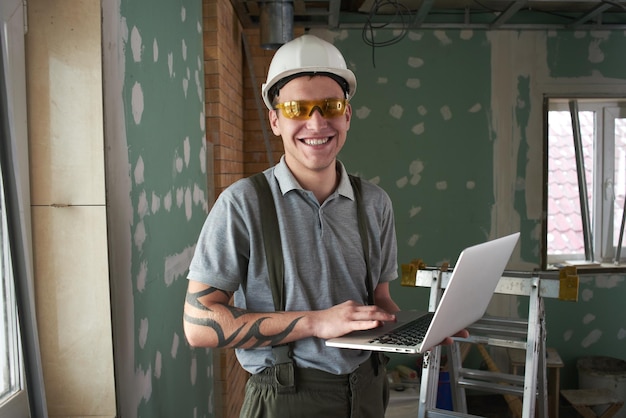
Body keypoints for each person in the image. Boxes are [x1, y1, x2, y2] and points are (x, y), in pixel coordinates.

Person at [183, 34, 466, 418]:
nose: (316, 122)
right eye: (297, 108)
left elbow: (379, 301)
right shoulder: (243, 203)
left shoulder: (375, 203)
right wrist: (316, 322)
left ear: (347, 114)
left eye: (329, 106)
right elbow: (199, 324)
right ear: (275, 119)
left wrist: (420, 334)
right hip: (286, 395)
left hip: (368, 388)